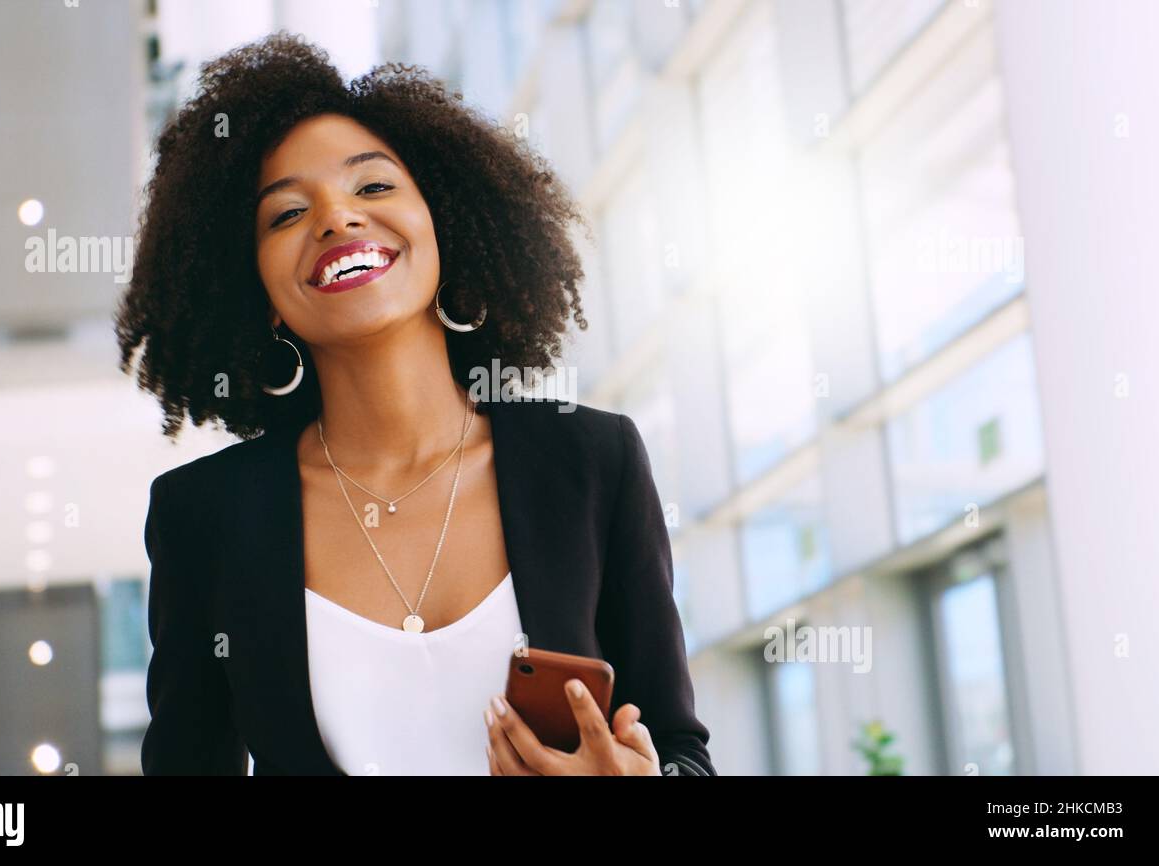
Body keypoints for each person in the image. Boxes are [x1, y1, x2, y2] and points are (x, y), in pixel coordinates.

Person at [116, 32, 714, 776]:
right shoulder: (204, 515)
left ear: (446, 225)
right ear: (257, 295)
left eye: (372, 187)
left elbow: (682, 748)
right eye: (286, 214)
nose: (336, 219)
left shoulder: (592, 461)